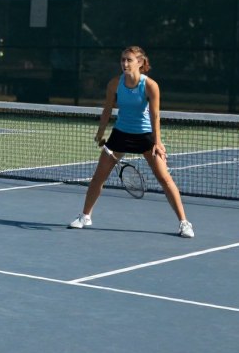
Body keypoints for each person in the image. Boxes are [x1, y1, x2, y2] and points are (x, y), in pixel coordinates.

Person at [69, 46, 193, 238]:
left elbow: (155, 115)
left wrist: (157, 143)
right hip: (120, 134)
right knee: (97, 178)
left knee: (165, 179)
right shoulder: (114, 84)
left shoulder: (150, 86)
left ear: (140, 63)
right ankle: (85, 216)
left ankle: (184, 223)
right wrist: (100, 133)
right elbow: (107, 110)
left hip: (144, 136)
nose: (125, 64)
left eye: (129, 60)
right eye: (122, 60)